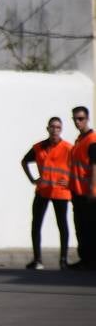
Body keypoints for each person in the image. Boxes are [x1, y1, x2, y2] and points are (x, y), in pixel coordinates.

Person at [19, 117, 72, 269]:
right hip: (42, 190)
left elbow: (78, 167)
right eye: (52, 127)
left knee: (62, 225)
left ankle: (63, 260)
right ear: (48, 129)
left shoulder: (68, 148)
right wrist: (32, 179)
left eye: (58, 127)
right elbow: (24, 161)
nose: (55, 130)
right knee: (36, 224)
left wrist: (70, 181)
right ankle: (37, 260)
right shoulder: (38, 147)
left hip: (61, 192)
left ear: (61, 130)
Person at [70, 106, 95, 269]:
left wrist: (93, 190)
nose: (78, 122)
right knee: (80, 227)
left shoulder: (92, 140)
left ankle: (92, 260)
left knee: (90, 227)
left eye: (81, 118)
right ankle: (85, 259)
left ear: (87, 119)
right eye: (75, 119)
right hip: (77, 191)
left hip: (88, 193)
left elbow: (94, 166)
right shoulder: (79, 140)